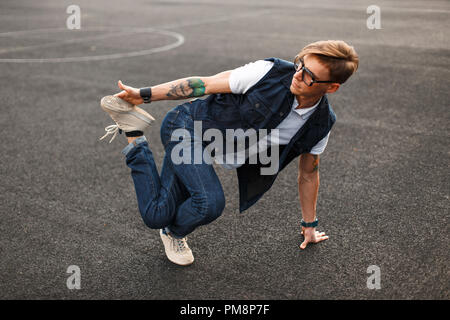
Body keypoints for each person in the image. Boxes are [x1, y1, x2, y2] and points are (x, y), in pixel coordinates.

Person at [99, 40, 359, 266]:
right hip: (187, 125)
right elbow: (205, 84)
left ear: (332, 87)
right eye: (300, 64)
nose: (297, 74)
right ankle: (176, 234)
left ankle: (133, 132)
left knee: (156, 215)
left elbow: (309, 175)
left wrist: (309, 225)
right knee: (210, 203)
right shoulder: (269, 72)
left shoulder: (320, 123)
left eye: (309, 76)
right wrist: (142, 95)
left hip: (206, 147)